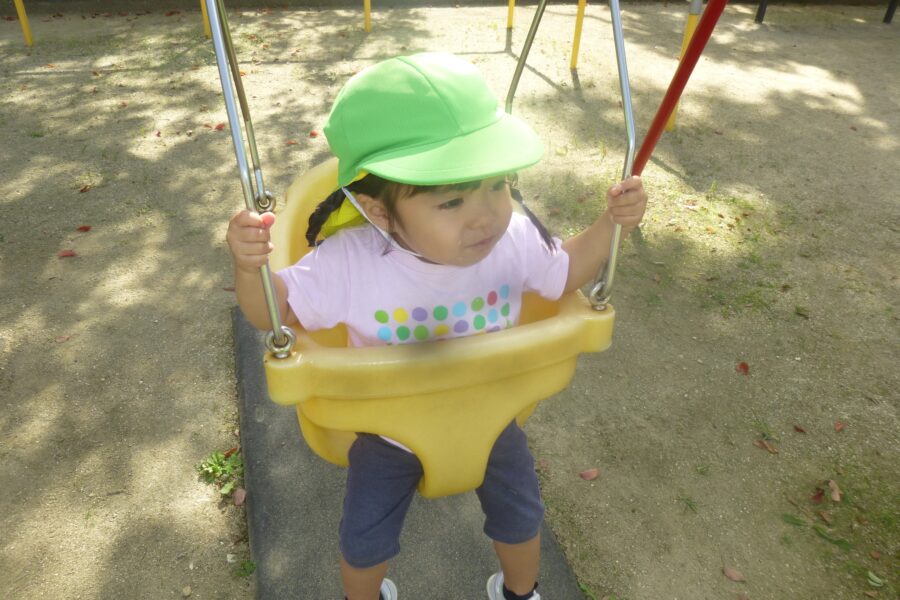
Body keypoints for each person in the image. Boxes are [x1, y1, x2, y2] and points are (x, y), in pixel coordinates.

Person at [226, 52, 646, 600]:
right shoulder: (350, 260)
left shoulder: (512, 238)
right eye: (452, 200)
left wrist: (610, 224)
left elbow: (564, 273)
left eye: (496, 184)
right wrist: (249, 268)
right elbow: (273, 313)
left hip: (491, 410)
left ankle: (520, 593)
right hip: (387, 428)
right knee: (363, 540)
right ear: (379, 213)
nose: (485, 215)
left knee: (523, 515)